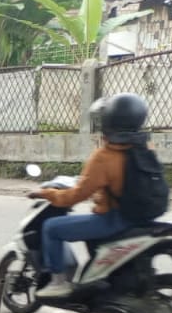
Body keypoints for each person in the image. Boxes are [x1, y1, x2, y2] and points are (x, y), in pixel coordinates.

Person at [29, 93, 152, 300]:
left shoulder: (104, 156)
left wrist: (46, 193)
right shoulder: (146, 148)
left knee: (51, 227)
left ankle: (58, 282)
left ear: (109, 122)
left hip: (113, 219)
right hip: (140, 217)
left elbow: (74, 196)